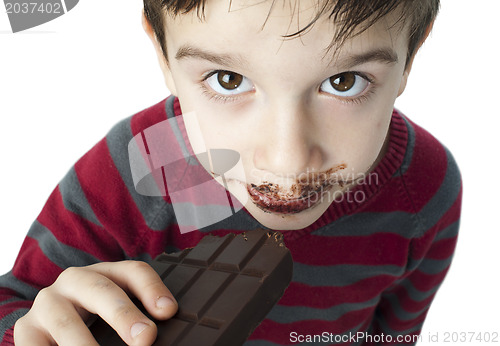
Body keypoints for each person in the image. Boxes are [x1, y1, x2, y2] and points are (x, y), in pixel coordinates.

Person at [0, 0, 462, 345]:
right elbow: (15, 301)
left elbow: (395, 335)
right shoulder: (141, 168)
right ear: (163, 55)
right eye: (228, 79)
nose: (286, 161)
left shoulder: (424, 189)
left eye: (343, 82)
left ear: (410, 58)